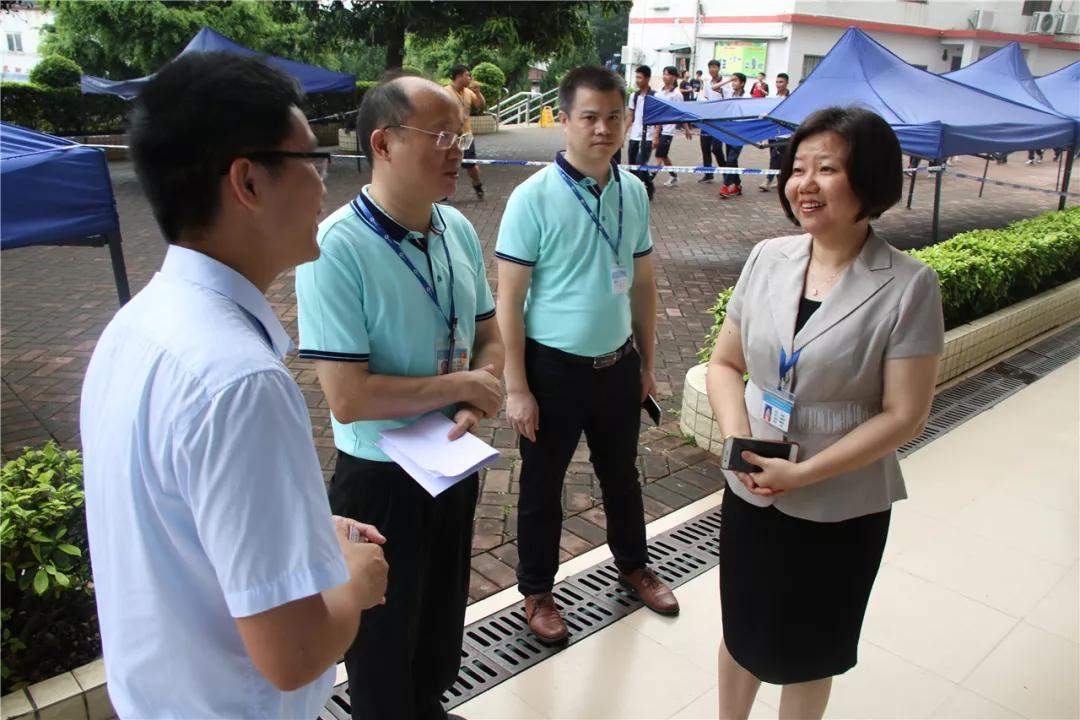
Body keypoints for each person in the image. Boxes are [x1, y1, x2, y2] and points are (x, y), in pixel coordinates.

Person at [79, 52, 390, 719]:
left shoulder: (134, 328)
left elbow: (180, 525)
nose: (323, 185)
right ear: (248, 182)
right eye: (313, 161)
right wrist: (355, 584)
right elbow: (294, 655)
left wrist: (305, 530)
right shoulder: (240, 381)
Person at [705, 106, 943, 719]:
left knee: (811, 649)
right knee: (743, 627)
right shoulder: (768, 257)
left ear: (870, 180)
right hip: (753, 486)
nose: (804, 184)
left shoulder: (909, 285)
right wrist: (741, 443)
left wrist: (803, 474)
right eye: (797, 168)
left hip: (841, 503)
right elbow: (725, 364)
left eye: (827, 169)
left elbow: (905, 414)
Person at [295, 75, 505, 720]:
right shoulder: (335, 249)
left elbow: (489, 337)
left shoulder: (457, 231)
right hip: (379, 479)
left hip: (448, 456)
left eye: (461, 137)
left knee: (442, 615)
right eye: (442, 136)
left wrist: (475, 400)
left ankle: (431, 703)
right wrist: (462, 384)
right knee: (382, 639)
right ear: (383, 144)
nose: (457, 152)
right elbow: (348, 396)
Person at [496, 65, 679, 645]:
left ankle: (634, 565)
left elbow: (644, 286)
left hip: (616, 365)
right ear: (565, 121)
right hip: (553, 371)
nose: (603, 128)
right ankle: (537, 591)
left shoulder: (631, 191)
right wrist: (517, 386)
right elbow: (510, 301)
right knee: (541, 486)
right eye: (589, 117)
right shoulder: (533, 198)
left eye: (613, 117)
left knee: (622, 476)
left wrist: (646, 365)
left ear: (626, 119)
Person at [445, 64, 487, 199]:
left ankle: (478, 185)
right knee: (446, 164)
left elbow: (480, 105)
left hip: (466, 135)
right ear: (458, 76)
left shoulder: (469, 92)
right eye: (467, 75)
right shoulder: (444, 92)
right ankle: (443, 193)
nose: (470, 78)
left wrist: (478, 93)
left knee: (470, 165)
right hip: (450, 136)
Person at [626, 64, 658, 200]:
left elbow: (658, 119)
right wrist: (622, 134)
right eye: (636, 77)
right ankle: (636, 189)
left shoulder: (655, 96)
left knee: (641, 163)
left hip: (648, 136)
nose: (637, 80)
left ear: (647, 78)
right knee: (632, 166)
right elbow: (630, 117)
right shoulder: (634, 96)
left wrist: (656, 135)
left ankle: (647, 187)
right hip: (634, 135)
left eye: (640, 77)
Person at [656, 65, 691, 187]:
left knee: (659, 155)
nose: (666, 76)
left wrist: (687, 129)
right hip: (657, 128)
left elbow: (681, 113)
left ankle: (650, 177)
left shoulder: (677, 94)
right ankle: (673, 176)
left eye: (669, 74)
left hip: (669, 129)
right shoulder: (658, 93)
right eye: (664, 73)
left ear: (675, 77)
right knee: (663, 155)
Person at [719, 72, 748, 199]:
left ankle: (726, 185)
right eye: (732, 80)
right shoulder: (728, 93)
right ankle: (737, 185)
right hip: (728, 131)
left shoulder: (747, 97)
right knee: (732, 160)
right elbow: (714, 88)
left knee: (731, 159)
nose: (733, 82)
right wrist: (728, 80)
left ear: (742, 83)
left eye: (736, 80)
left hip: (740, 132)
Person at [697, 59, 727, 183]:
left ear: (719, 68)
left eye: (715, 67)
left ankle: (726, 173)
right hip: (706, 119)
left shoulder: (725, 83)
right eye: (710, 67)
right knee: (705, 147)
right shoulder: (706, 82)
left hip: (718, 121)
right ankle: (708, 173)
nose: (712, 70)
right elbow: (703, 97)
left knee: (716, 148)